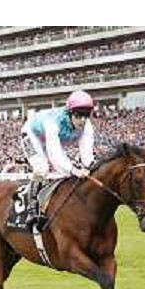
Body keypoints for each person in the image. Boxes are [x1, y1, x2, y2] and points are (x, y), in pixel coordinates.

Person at [20, 90, 96, 230]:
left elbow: (87, 155)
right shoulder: (53, 122)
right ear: (69, 113)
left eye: (86, 115)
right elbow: (55, 154)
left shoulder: (87, 126)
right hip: (31, 135)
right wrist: (74, 170)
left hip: (49, 139)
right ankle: (32, 209)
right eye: (79, 115)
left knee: (65, 172)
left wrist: (88, 167)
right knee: (42, 168)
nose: (83, 120)